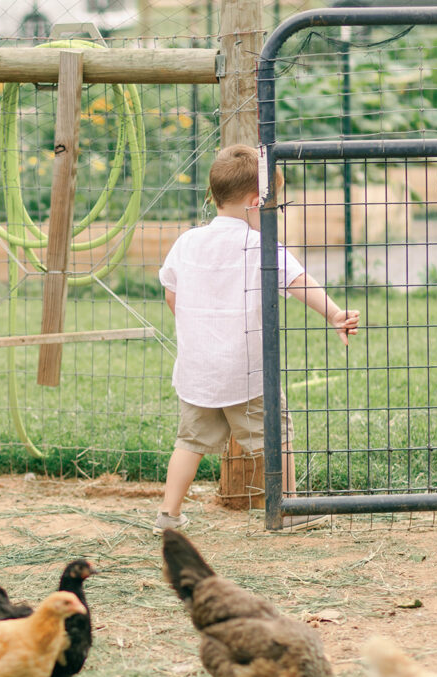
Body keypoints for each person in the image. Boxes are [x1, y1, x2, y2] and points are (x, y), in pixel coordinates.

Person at [154, 144, 360, 535]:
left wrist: (198, 329)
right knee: (275, 437)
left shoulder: (187, 242)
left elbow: (172, 294)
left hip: (198, 370)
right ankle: (287, 508)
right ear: (255, 203)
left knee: (190, 442)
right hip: (246, 371)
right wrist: (334, 313)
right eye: (273, 205)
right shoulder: (261, 247)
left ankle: (168, 514)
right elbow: (300, 283)